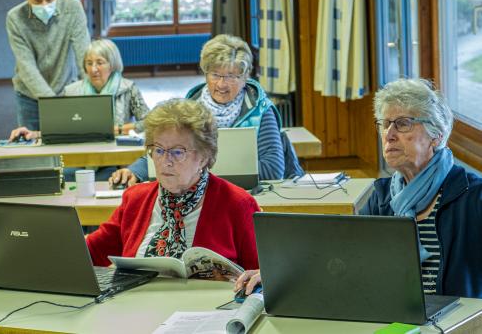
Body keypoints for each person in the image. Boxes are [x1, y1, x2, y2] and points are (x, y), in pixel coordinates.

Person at [236, 78, 482, 299]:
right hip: (395, 319)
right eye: (385, 124)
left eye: (403, 124)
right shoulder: (384, 196)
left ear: (436, 135)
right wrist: (279, 273)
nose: (389, 134)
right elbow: (342, 255)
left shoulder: (471, 196)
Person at [85, 98, 260, 272]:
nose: (165, 162)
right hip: (138, 299)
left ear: (204, 156)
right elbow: (90, 252)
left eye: (177, 152)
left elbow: (263, 274)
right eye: (159, 150)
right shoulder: (136, 199)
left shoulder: (238, 204)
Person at [110, 34, 304, 187]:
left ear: (245, 77)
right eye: (215, 75)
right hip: (198, 197)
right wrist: (135, 171)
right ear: (205, 74)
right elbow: (166, 149)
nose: (222, 84)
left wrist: (196, 169)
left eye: (231, 76)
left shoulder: (261, 110)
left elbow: (273, 169)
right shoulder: (189, 108)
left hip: (249, 198)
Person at [9, 38, 150, 142]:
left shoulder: (128, 88)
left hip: (117, 153)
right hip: (82, 153)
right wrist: (34, 134)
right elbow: (60, 128)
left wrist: (118, 130)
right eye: (89, 63)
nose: (93, 69)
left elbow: (149, 122)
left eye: (100, 63)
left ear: (112, 65)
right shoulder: (71, 91)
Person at [6, 0, 90, 131]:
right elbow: (26, 66)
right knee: (33, 150)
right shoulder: (15, 17)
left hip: (67, 89)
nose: (44, 5)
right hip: (29, 95)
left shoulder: (73, 8)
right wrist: (53, 105)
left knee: (71, 143)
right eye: (37, 0)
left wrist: (91, 94)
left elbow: (84, 55)